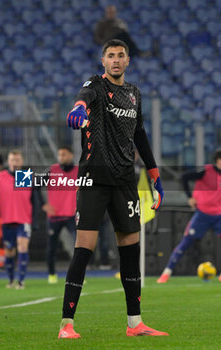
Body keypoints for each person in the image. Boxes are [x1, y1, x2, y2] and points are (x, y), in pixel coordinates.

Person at [58, 39, 168, 339]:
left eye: (121, 56)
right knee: (84, 248)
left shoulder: (134, 94)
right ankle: (66, 325)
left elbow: (140, 135)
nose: (116, 60)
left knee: (130, 248)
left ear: (128, 61)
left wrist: (155, 173)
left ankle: (135, 323)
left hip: (124, 181)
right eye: (111, 56)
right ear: (103, 60)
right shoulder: (95, 84)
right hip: (93, 178)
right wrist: (79, 107)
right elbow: (84, 96)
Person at [0, 149, 53, 289]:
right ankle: (11, 279)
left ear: (22, 161)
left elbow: (35, 201)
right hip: (6, 221)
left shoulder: (25, 176)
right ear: (8, 161)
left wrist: (35, 221)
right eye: (12, 160)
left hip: (23, 220)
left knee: (23, 246)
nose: (15, 162)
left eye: (17, 160)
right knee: (9, 251)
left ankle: (21, 280)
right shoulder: (0, 177)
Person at [157, 149, 221, 284]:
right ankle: (166, 273)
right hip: (202, 214)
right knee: (185, 243)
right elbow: (184, 177)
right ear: (218, 160)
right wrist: (189, 197)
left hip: (219, 216)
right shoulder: (206, 171)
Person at [46, 145, 77, 284]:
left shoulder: (78, 171)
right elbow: (32, 183)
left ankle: (78, 274)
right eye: (59, 154)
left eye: (64, 154)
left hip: (72, 215)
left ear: (70, 155)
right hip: (55, 216)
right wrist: (42, 204)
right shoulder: (52, 170)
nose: (61, 157)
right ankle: (52, 274)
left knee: (79, 247)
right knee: (51, 247)